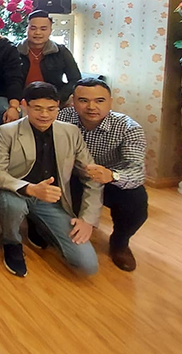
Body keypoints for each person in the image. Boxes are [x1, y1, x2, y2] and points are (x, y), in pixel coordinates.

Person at [0, 82, 102, 278]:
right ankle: (11, 242)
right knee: (13, 206)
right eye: (37, 108)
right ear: (24, 105)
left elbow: (92, 175)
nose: (45, 115)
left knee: (87, 264)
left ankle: (37, 224)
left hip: (50, 199)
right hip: (16, 192)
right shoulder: (6, 132)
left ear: (58, 106)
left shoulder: (71, 132)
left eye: (51, 109)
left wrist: (87, 219)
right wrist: (30, 189)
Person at [58, 78, 147, 271]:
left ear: (110, 102)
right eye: (83, 100)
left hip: (111, 180)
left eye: (99, 100)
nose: (91, 107)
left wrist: (112, 176)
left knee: (136, 201)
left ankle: (120, 243)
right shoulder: (62, 118)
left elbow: (137, 171)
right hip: (73, 178)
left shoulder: (128, 128)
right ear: (73, 101)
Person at [16, 10, 81, 105]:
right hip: (21, 101)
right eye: (33, 28)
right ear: (27, 30)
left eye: (43, 29)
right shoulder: (14, 51)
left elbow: (75, 80)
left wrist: (58, 98)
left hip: (53, 100)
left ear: (50, 31)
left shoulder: (61, 51)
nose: (38, 32)